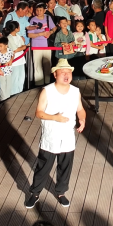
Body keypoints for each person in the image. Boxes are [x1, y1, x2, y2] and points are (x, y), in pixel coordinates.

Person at [25, 59, 86, 209]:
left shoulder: (75, 91)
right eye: (62, 72)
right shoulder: (47, 91)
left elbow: (80, 109)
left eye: (69, 72)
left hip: (67, 137)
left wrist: (82, 119)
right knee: (43, 167)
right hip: (50, 136)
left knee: (65, 167)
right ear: (55, 74)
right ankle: (35, 193)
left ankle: (61, 192)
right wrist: (55, 118)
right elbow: (39, 113)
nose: (66, 75)